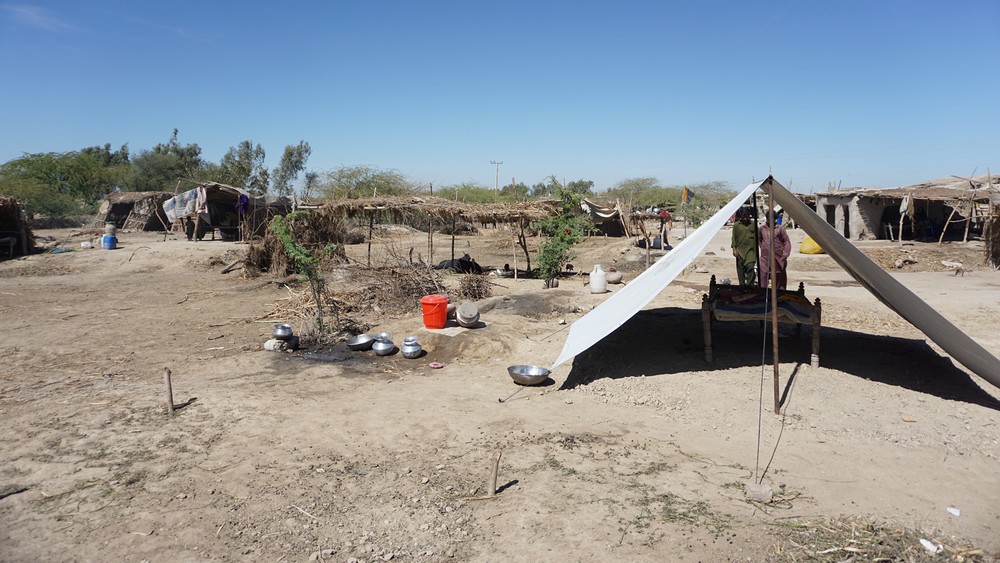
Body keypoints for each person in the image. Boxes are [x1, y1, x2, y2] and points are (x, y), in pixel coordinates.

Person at [758, 211, 791, 290]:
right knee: (763, 273)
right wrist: (764, 248)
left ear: (775, 219)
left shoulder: (779, 229)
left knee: (779, 274)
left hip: (778, 256)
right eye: (769, 218)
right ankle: (763, 292)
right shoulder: (762, 228)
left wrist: (785, 253)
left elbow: (786, 241)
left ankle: (779, 292)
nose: (770, 220)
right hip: (765, 257)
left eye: (772, 218)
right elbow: (759, 239)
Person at [731, 209, 757, 287]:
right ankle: (742, 285)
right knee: (740, 270)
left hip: (751, 250)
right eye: (743, 217)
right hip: (740, 250)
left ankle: (749, 285)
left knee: (750, 267)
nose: (745, 219)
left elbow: (757, 236)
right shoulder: (736, 225)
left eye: (746, 217)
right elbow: (733, 238)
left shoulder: (753, 224)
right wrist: (734, 249)